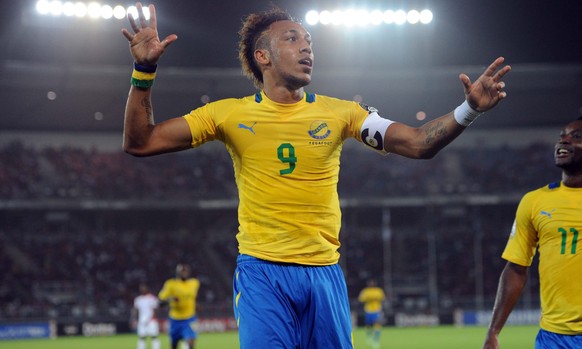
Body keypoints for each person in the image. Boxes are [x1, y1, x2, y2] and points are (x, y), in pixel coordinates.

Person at [121, 3, 510, 348]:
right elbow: (141, 142)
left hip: (324, 274)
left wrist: (468, 110)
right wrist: (144, 70)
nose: (307, 47)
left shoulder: (342, 113)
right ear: (263, 57)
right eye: (293, 39)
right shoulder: (228, 114)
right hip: (263, 273)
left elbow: (417, 143)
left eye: (309, 40)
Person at [481, 116, 582, 349]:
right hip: (553, 338)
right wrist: (493, 331)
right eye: (562, 136)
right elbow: (516, 268)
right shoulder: (535, 201)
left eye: (576, 137)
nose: (564, 141)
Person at [158, 264, 201, 349]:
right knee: (174, 345)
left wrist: (196, 305)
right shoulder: (171, 284)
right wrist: (171, 299)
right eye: (182, 271)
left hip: (190, 318)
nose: (184, 273)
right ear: (177, 272)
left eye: (185, 271)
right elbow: (160, 303)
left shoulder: (194, 283)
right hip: (175, 320)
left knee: (191, 342)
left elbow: (193, 297)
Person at [358, 279, 387, 348]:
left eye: (372, 283)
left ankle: (376, 341)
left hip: (377, 310)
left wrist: (377, 298)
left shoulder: (378, 291)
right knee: (368, 325)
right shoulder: (365, 291)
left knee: (377, 324)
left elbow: (383, 298)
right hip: (368, 310)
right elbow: (360, 299)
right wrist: (368, 298)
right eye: (370, 283)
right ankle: (369, 337)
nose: (371, 284)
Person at [132, 283, 161, 349]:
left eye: (144, 288)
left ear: (147, 289)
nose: (143, 289)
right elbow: (136, 310)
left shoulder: (152, 298)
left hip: (152, 320)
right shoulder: (138, 299)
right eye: (141, 288)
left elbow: (155, 309)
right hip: (142, 320)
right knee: (142, 337)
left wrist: (153, 317)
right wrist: (134, 319)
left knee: (154, 336)